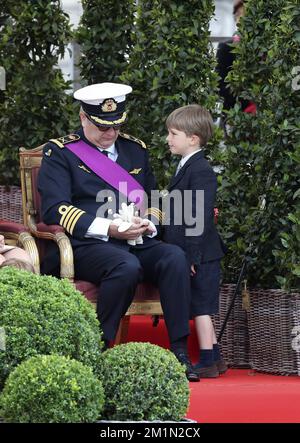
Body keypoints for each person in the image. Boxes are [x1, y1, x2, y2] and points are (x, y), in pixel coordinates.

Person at [38, 82, 200, 382]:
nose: (110, 133)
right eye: (102, 126)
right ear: (84, 118)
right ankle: (100, 349)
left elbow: (153, 199)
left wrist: (148, 223)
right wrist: (110, 228)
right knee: (125, 266)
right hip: (87, 244)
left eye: (115, 126)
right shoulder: (60, 153)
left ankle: (178, 351)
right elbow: (55, 209)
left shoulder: (134, 149)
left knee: (174, 257)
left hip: (136, 238)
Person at [163, 104, 227, 378]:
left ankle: (207, 361)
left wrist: (191, 256)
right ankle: (215, 355)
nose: (168, 139)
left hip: (201, 252)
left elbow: (199, 218)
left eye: (173, 133)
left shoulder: (199, 170)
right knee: (202, 305)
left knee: (201, 308)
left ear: (193, 138)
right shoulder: (187, 166)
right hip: (199, 251)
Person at [216, 0, 256, 115]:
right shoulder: (226, 47)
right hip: (237, 115)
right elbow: (221, 85)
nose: (241, 19)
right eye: (238, 15)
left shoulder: (268, 48)